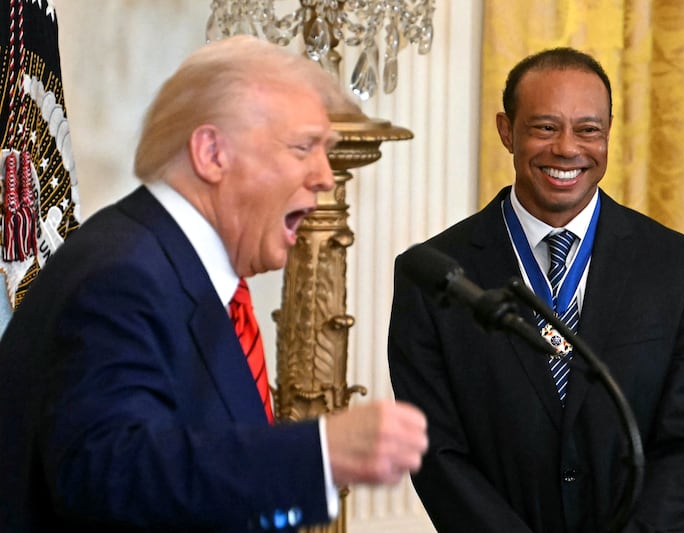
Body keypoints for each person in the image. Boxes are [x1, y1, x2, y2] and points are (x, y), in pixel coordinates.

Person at [0, 35, 428, 532]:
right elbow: (108, 471)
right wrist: (319, 453)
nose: (324, 177)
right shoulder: (125, 275)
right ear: (211, 153)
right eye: (303, 147)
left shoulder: (179, 270)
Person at [388, 47, 684, 532]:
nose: (567, 148)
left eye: (589, 129)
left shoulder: (675, 266)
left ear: (608, 133)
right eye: (545, 127)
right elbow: (436, 449)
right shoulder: (435, 275)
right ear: (507, 131)